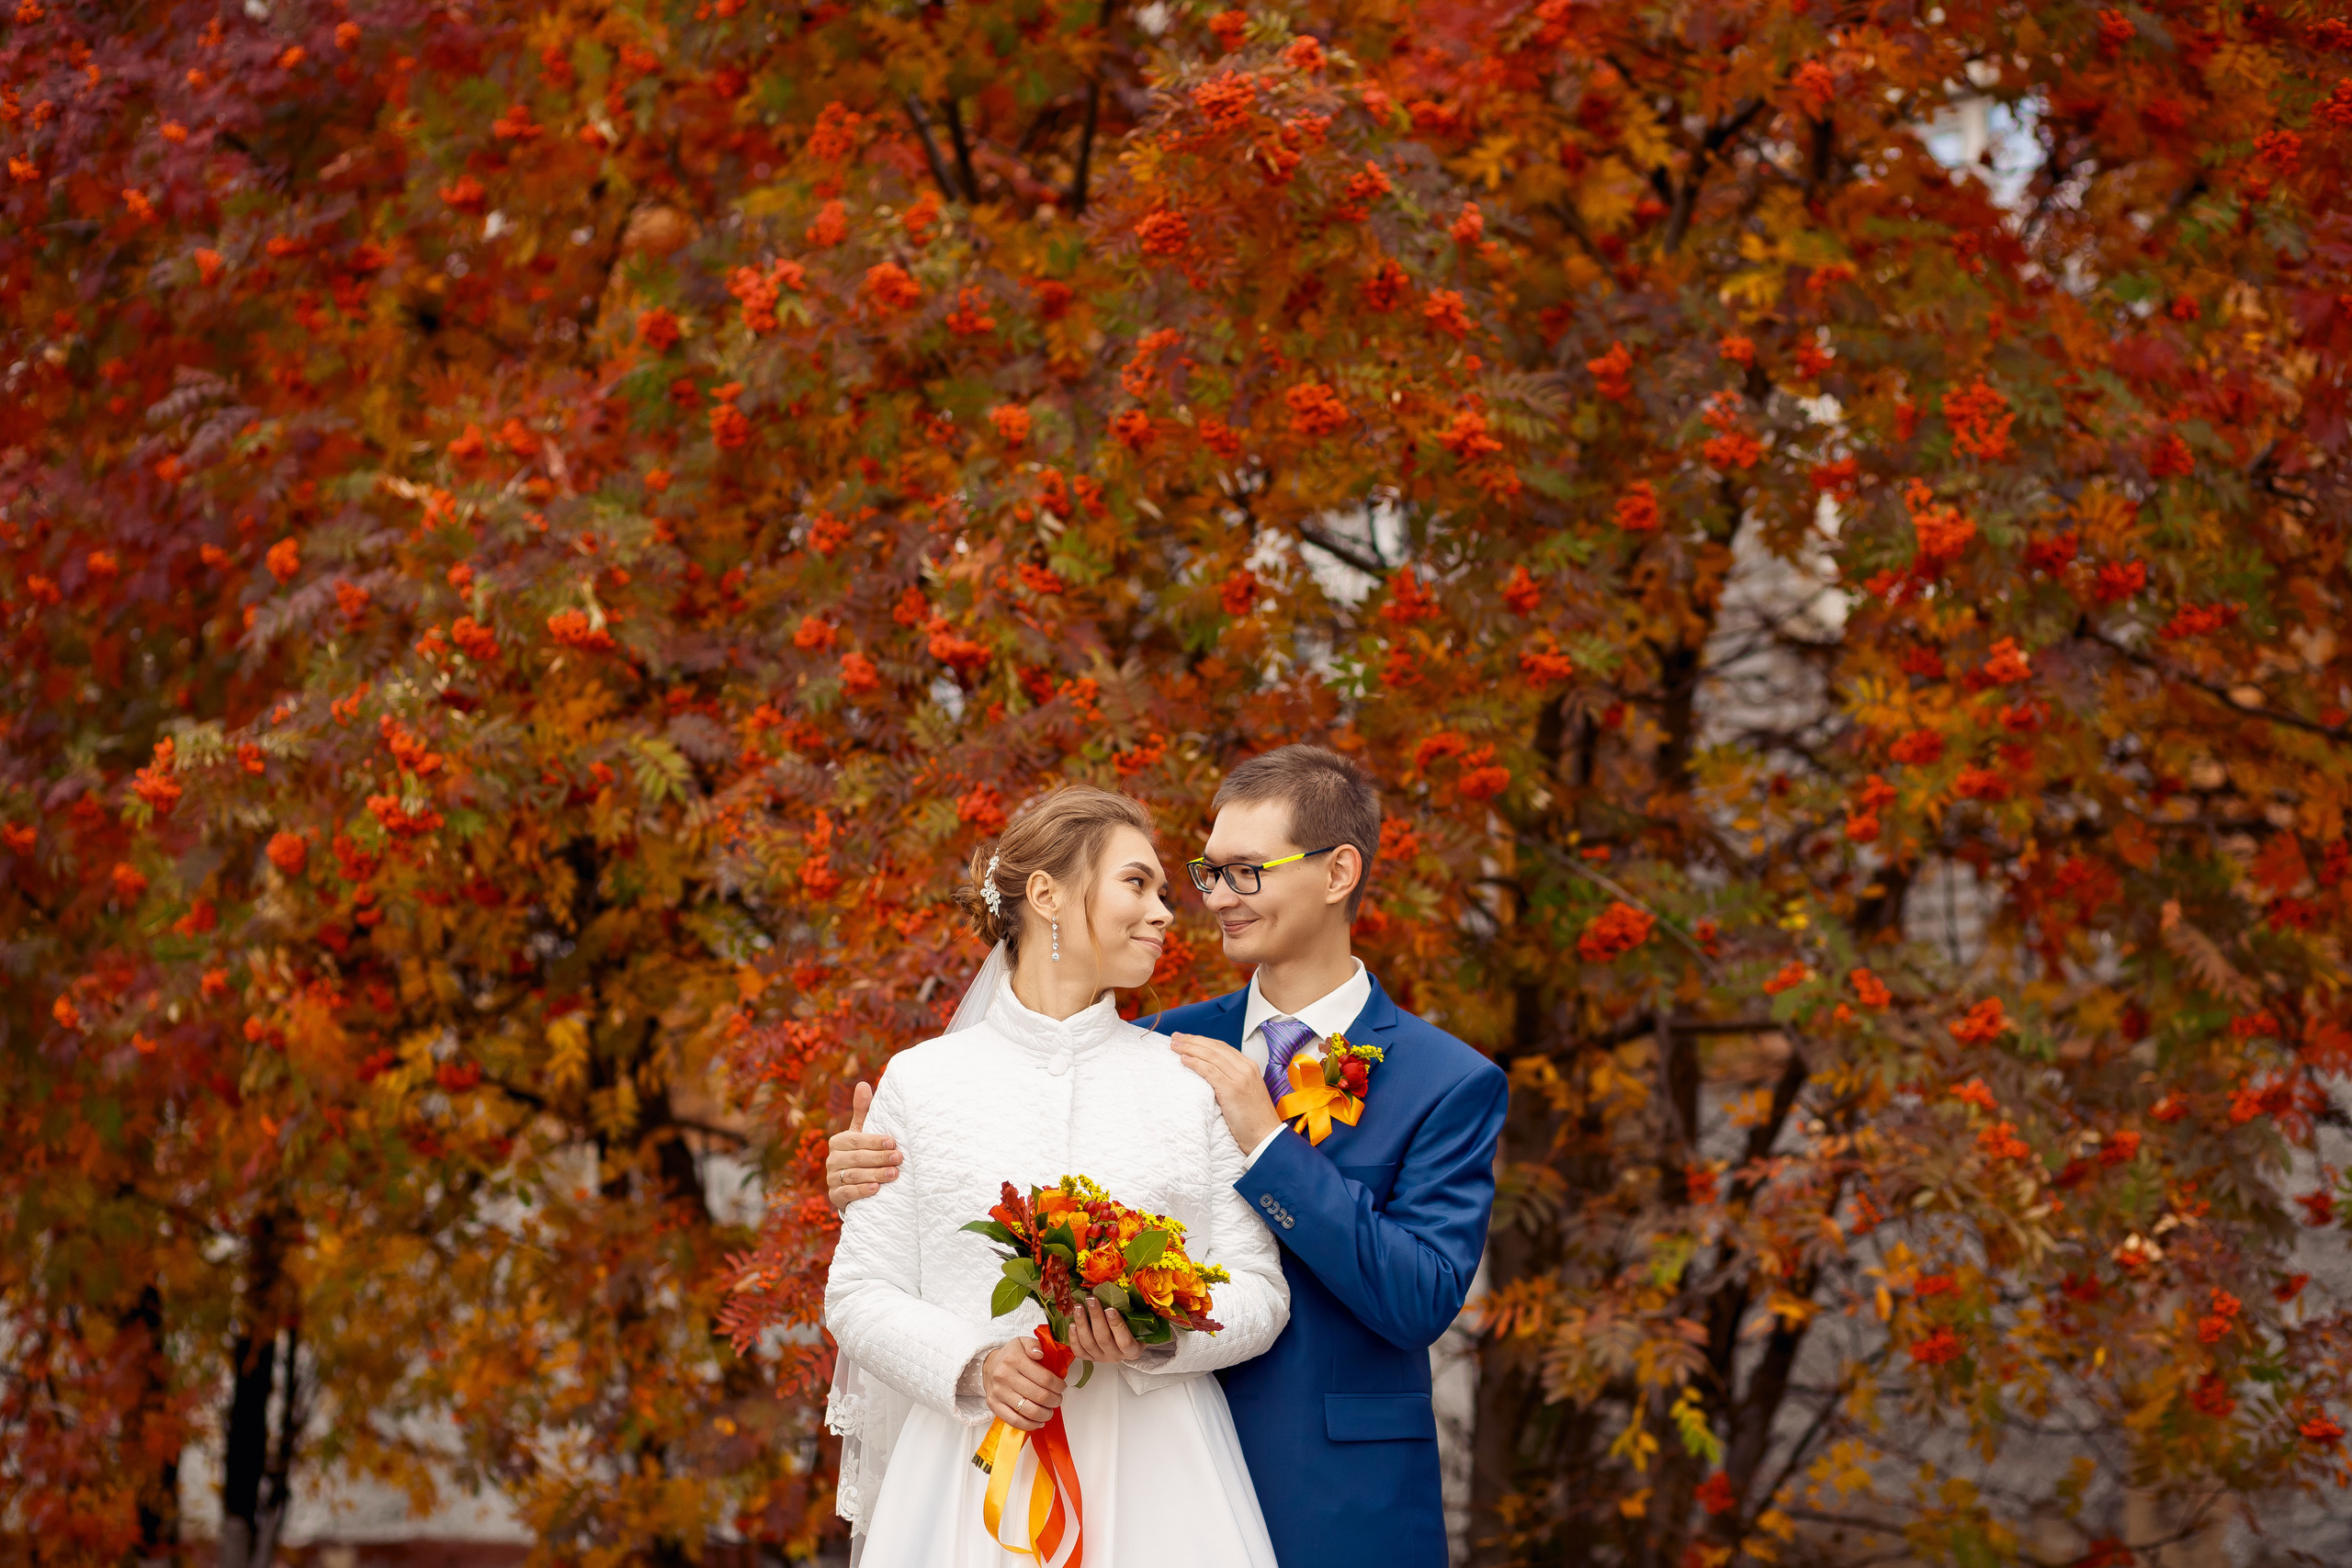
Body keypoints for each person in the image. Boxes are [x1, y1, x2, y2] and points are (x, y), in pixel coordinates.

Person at [831, 746, 1508, 1568]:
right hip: (1051, 1465)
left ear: (1338, 874)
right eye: (1207, 871)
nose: (1209, 899)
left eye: (1244, 872)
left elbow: (1413, 1298)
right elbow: (992, 1149)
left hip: (1302, 1489)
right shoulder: (1165, 1043)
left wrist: (1267, 1144)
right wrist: (864, 1178)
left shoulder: (1446, 1081)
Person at [821, 784, 1290, 1567]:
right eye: (1136, 883)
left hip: (1163, 1483)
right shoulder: (923, 1082)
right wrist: (976, 1364)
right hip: (970, 1479)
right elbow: (859, 1292)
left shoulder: (1188, 1083)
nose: (1166, 912)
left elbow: (1261, 1291)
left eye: (1165, 893)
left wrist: (1157, 1330)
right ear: (1045, 895)